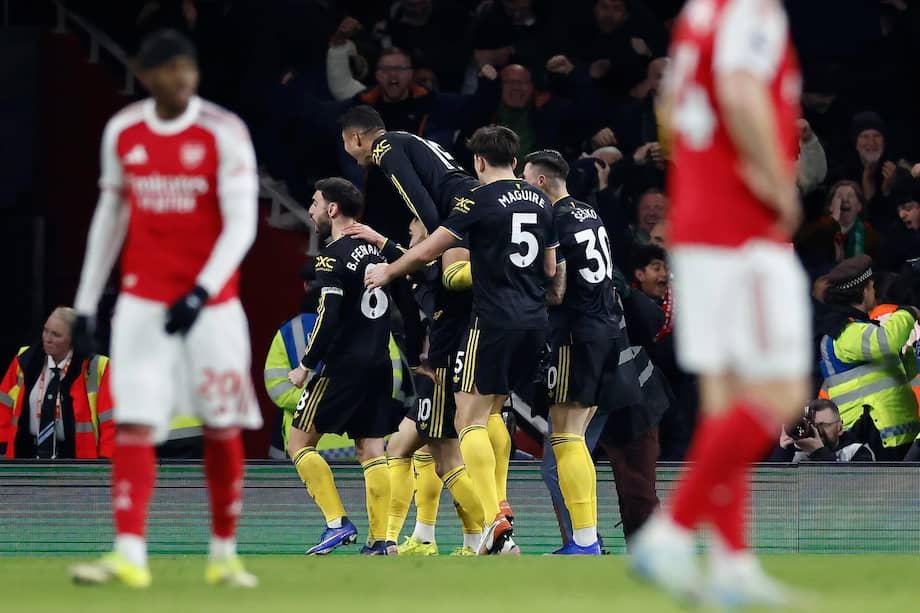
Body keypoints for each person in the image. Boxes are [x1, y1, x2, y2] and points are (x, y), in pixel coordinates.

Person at [630, 1, 811, 606]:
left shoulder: (696, 15)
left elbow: (670, 109)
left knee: (725, 402)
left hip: (699, 226)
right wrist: (776, 183)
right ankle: (673, 530)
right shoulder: (751, 10)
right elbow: (738, 90)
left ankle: (732, 566)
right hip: (743, 231)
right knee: (781, 394)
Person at [68, 30, 261, 589]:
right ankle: (129, 552)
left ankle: (223, 552)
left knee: (221, 423)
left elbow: (242, 221)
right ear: (145, 74)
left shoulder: (224, 132)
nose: (181, 80)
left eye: (188, 69)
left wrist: (201, 290)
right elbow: (110, 215)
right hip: (142, 304)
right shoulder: (123, 132)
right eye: (170, 70)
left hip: (214, 307)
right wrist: (84, 303)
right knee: (133, 422)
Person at [364, 125, 558, 555]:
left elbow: (429, 251)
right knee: (494, 411)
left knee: (466, 420)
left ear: (479, 162)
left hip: (491, 322)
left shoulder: (477, 199)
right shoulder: (542, 202)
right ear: (515, 157)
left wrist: (388, 270)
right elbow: (549, 270)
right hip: (534, 323)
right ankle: (482, 518)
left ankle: (493, 519)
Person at [342, 105, 515, 541]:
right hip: (477, 217)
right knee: (461, 427)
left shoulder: (386, 148)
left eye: (347, 144)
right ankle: (433, 534)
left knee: (451, 439)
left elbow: (419, 198)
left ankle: (491, 526)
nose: (350, 152)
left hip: (464, 221)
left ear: (358, 138)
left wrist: (442, 243)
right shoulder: (416, 141)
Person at [344, 218, 485, 556]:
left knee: (443, 461)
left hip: (447, 369)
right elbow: (416, 274)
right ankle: (420, 538)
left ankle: (493, 529)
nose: (411, 238)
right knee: (411, 451)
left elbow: (424, 271)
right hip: (441, 368)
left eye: (413, 233)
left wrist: (381, 240)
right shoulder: (437, 266)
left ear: (429, 234)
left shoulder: (450, 258)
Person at [286, 178, 399, 556]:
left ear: (333, 209)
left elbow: (328, 315)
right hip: (379, 361)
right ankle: (381, 540)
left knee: (298, 442)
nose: (313, 209)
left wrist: (305, 364)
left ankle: (337, 523)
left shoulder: (330, 257)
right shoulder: (377, 252)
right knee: (371, 450)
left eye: (316, 202)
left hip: (344, 365)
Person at [521, 149, 619, 555]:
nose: (524, 189)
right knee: (573, 439)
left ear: (542, 182)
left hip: (576, 335)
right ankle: (586, 538)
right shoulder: (587, 212)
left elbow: (557, 290)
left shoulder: (554, 218)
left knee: (566, 438)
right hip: (607, 331)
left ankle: (584, 542)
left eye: (527, 180)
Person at [814, 255, 920, 459]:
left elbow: (902, 373)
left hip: (893, 439)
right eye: (871, 287)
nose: (874, 292)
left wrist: (905, 353)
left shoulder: (863, 329)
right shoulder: (844, 332)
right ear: (863, 291)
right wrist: (908, 312)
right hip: (874, 438)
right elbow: (886, 341)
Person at [0, 307, 114, 460]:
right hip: (25, 455)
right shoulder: (25, 360)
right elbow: (3, 408)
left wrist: (106, 464)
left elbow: (111, 423)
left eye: (56, 335)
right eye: (46, 331)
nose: (47, 338)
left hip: (77, 459)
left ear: (73, 339)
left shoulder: (97, 367)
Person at [773, 399, 875, 463]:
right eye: (811, 426)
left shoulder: (857, 452)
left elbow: (855, 490)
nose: (816, 431)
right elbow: (769, 491)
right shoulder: (793, 450)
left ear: (839, 428)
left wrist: (819, 452)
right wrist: (783, 451)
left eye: (822, 425)